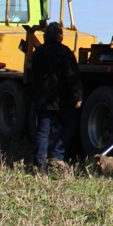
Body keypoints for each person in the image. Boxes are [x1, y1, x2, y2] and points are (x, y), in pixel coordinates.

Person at [30, 22, 83, 171]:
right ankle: (57, 155)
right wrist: (77, 96)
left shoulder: (38, 52)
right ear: (60, 36)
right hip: (61, 100)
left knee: (42, 131)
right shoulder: (65, 52)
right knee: (69, 124)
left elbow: (34, 73)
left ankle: (39, 163)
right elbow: (73, 77)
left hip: (42, 98)